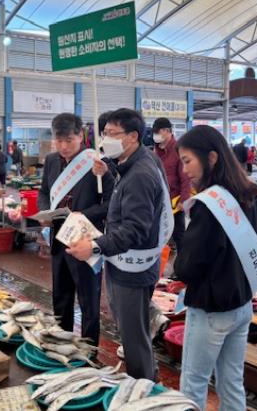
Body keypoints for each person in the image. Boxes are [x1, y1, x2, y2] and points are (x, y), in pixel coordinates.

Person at [67, 108, 171, 380]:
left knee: (133, 337)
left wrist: (95, 246)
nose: (105, 140)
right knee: (134, 331)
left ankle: (144, 389)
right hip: (129, 263)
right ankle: (147, 378)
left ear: (132, 136)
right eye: (104, 133)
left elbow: (135, 229)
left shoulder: (140, 174)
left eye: (112, 134)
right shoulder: (137, 161)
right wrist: (110, 172)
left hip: (131, 268)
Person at [174, 125, 257, 411]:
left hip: (211, 308)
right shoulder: (250, 194)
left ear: (211, 158)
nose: (185, 170)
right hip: (242, 304)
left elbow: (188, 266)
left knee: (193, 383)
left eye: (188, 161)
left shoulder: (209, 204)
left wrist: (179, 258)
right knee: (232, 381)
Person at [37, 113, 113, 346]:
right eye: (59, 140)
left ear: (81, 136)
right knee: (61, 295)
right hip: (58, 236)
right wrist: (44, 212)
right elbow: (44, 191)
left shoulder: (97, 162)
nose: (63, 146)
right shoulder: (51, 160)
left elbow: (111, 203)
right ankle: (62, 344)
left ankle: (89, 350)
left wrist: (84, 214)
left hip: (85, 238)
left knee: (88, 298)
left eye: (69, 140)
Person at [152, 117, 190, 248]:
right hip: (159, 200)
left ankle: (183, 259)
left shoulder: (178, 149)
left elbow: (185, 177)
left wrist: (184, 200)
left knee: (179, 234)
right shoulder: (156, 150)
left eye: (158, 131)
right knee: (160, 233)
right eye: (154, 132)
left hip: (175, 201)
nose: (155, 135)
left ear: (168, 131)